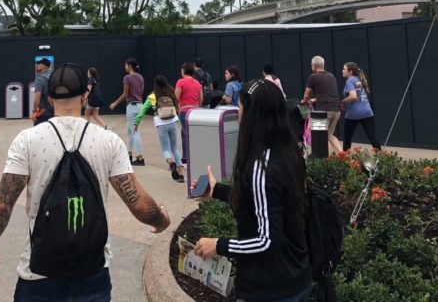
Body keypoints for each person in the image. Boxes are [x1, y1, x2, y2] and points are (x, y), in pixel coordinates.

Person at [0, 63, 170, 302]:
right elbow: (138, 203)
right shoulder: (109, 141)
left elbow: (0, 206)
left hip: (38, 275)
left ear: (49, 99)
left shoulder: (27, 140)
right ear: (85, 95)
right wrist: (161, 220)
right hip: (92, 275)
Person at [191, 78, 312, 302]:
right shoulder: (288, 151)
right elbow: (265, 202)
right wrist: (217, 190)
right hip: (295, 278)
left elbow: (268, 241)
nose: (237, 111)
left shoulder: (262, 167)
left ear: (250, 114)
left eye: (240, 106)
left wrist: (218, 245)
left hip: (269, 289)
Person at [133, 75, 185, 182]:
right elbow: (177, 106)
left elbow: (142, 111)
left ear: (155, 84)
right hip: (173, 121)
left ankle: (171, 163)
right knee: (174, 148)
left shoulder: (152, 96)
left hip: (161, 123)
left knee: (166, 149)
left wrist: (136, 123)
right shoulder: (171, 92)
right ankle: (180, 174)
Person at [108, 59, 146, 165]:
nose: (124, 67)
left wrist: (114, 103)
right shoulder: (140, 77)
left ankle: (140, 158)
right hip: (140, 105)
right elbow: (141, 92)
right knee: (130, 131)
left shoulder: (127, 78)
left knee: (134, 132)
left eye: (125, 65)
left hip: (132, 106)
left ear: (129, 66)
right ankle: (129, 155)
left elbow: (125, 94)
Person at [302, 55, 343, 154]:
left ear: (315, 65)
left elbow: (306, 95)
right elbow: (328, 94)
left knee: (317, 134)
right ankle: (342, 153)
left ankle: (325, 159)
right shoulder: (331, 76)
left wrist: (305, 101)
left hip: (324, 112)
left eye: (311, 65)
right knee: (328, 135)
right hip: (336, 111)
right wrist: (314, 100)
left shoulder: (313, 77)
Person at [341, 62, 381, 151]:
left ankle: (345, 159)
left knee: (347, 138)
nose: (342, 71)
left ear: (350, 71)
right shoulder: (359, 79)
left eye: (344, 69)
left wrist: (344, 101)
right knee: (372, 136)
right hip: (367, 112)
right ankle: (381, 158)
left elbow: (353, 96)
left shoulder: (350, 81)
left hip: (353, 114)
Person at [175, 63, 203, 165]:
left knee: (186, 134)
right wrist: (197, 107)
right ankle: (192, 155)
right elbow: (201, 99)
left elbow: (176, 97)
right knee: (190, 133)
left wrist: (176, 107)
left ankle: (186, 158)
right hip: (194, 112)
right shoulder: (197, 83)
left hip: (184, 111)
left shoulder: (180, 82)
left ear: (183, 70)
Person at [30, 57, 53, 125]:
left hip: (43, 113)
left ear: (44, 66)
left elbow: (37, 95)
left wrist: (34, 111)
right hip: (54, 112)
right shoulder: (53, 77)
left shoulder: (39, 79)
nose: (37, 65)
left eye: (39, 64)